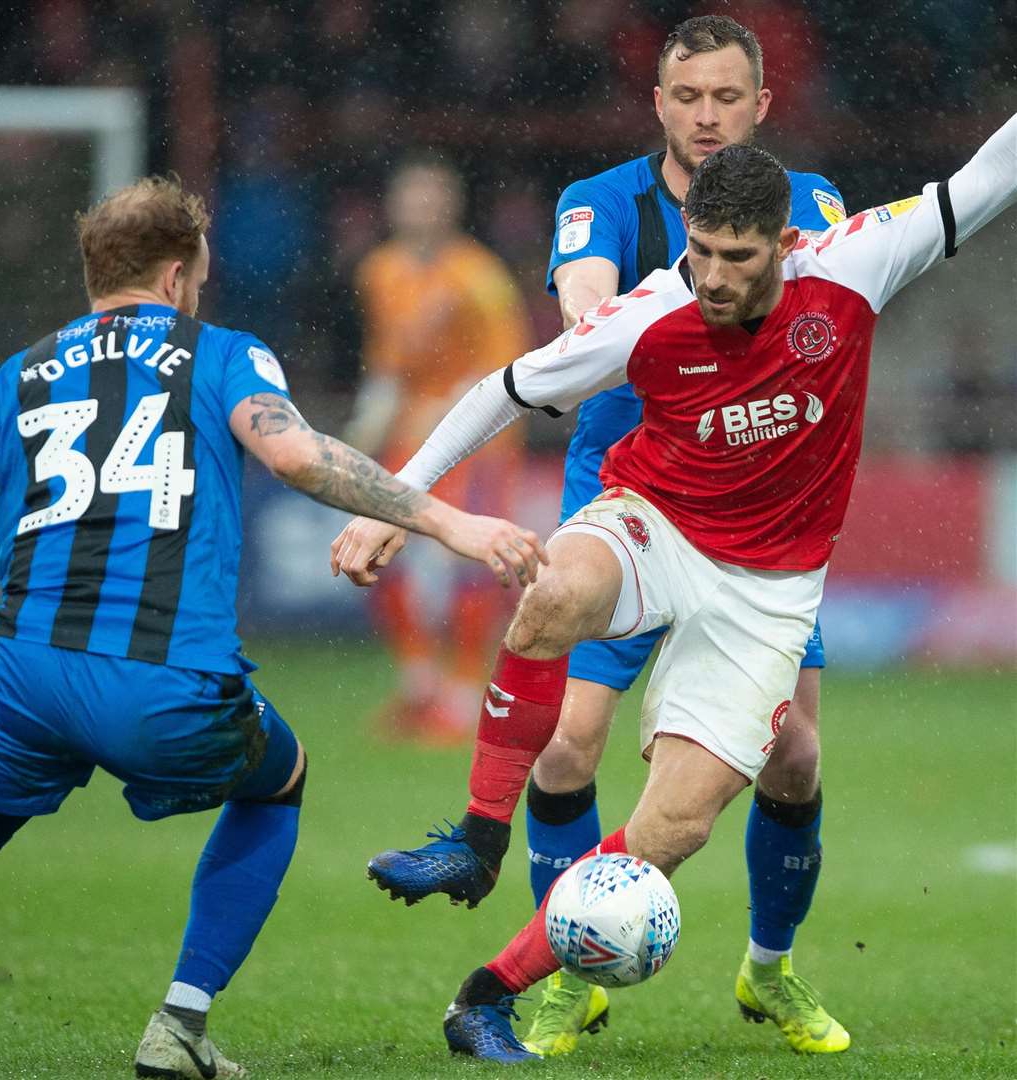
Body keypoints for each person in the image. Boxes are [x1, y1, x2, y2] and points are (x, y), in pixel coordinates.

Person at [333, 115, 1017, 1061]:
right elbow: (504, 391)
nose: (716, 276)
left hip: (766, 592)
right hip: (655, 523)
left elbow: (991, 175)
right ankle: (480, 839)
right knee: (551, 590)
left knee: (671, 827)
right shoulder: (658, 307)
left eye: (739, 257)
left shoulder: (856, 262)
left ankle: (482, 998)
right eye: (700, 250)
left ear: (786, 244)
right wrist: (396, 502)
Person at [0, 176, 546, 1080]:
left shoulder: (18, 374)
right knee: (277, 778)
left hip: (22, 683)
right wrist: (453, 524)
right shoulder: (220, 355)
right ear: (178, 274)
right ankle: (179, 1026)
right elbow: (296, 454)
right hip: (161, 680)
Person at [355, 14, 850, 1056]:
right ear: (656, 103)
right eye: (687, 97)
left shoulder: (807, 206)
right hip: (633, 500)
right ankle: (565, 977)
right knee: (567, 749)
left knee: (794, 758)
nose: (705, 116)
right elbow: (582, 310)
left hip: (756, 514)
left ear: (761, 105)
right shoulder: (601, 202)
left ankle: (769, 970)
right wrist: (639, 316)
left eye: (726, 97)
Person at [346, 155, 533, 744]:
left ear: (450, 205)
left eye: (432, 197)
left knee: (467, 565)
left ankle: (462, 691)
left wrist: (448, 407)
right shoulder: (379, 272)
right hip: (408, 436)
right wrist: (366, 423)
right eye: (411, 196)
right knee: (384, 553)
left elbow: (510, 368)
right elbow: (387, 364)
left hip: (478, 441)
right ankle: (419, 686)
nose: (420, 207)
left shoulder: (480, 276)